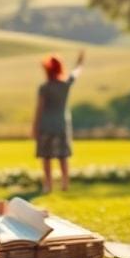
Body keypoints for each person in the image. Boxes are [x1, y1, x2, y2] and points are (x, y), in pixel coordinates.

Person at [32, 50, 85, 194]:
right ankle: (65, 184)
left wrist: (35, 127)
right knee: (63, 157)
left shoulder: (44, 87)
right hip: (61, 124)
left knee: (46, 157)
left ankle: (47, 185)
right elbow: (76, 73)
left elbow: (39, 109)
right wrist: (80, 62)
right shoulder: (65, 85)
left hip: (46, 125)